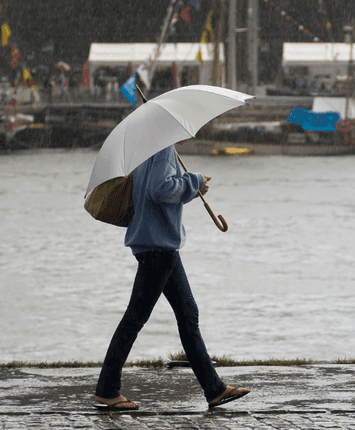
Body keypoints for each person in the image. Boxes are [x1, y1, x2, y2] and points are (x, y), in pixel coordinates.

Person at [94, 142, 249, 411]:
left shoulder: (146, 149)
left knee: (188, 314)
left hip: (158, 244)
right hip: (158, 246)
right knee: (134, 319)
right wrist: (196, 181)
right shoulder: (163, 148)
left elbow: (158, 187)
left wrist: (191, 186)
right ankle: (107, 390)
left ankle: (214, 389)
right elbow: (161, 189)